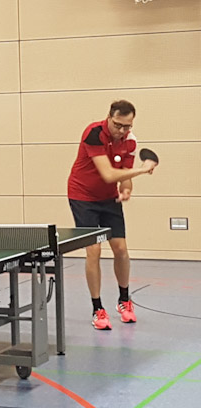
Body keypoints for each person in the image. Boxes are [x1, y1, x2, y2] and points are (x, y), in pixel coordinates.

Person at [67, 100, 157, 331]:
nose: (122, 130)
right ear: (109, 118)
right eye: (118, 125)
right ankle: (97, 308)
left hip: (109, 199)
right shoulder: (94, 133)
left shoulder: (130, 141)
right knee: (94, 250)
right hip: (83, 197)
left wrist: (127, 189)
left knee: (121, 249)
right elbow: (108, 174)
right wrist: (143, 169)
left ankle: (124, 300)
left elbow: (124, 176)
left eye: (127, 126)